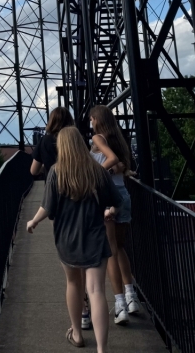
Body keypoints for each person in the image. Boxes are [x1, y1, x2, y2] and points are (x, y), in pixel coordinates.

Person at [26, 126, 124, 353]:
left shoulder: (56, 172)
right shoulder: (97, 171)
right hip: (95, 238)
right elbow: (117, 202)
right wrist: (110, 210)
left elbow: (47, 207)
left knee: (73, 284)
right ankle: (102, 348)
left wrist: (33, 221)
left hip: (67, 239)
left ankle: (77, 334)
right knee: (97, 290)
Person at [89, 104, 140, 325]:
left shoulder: (97, 138)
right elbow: (122, 165)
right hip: (123, 196)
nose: (90, 122)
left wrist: (96, 175)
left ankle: (120, 305)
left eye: (91, 119)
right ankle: (131, 296)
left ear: (97, 120)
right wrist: (115, 168)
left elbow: (109, 161)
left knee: (110, 252)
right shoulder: (119, 139)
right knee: (120, 248)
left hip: (108, 197)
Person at [31, 106, 75, 176]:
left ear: (51, 121)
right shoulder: (75, 138)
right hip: (75, 182)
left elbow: (34, 171)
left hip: (54, 183)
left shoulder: (44, 140)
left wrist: (46, 167)